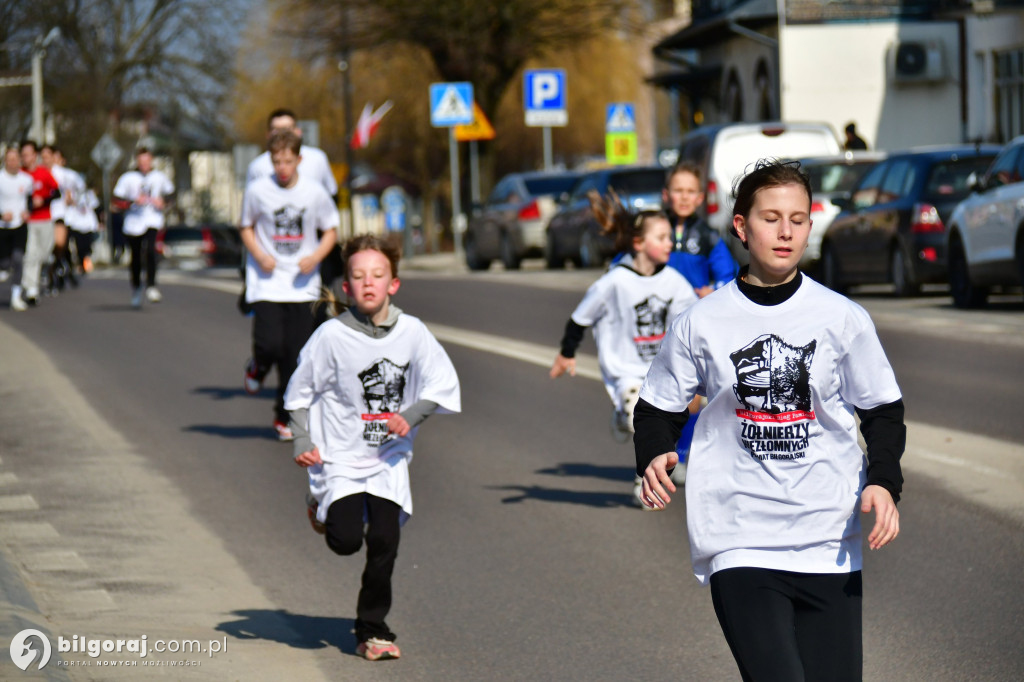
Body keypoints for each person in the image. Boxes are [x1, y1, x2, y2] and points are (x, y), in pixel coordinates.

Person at [634, 159, 904, 681]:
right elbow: (657, 407)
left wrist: (884, 481)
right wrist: (652, 453)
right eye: (771, 218)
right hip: (739, 535)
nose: (785, 232)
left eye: (797, 220)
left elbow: (882, 410)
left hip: (828, 539)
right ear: (741, 226)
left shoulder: (841, 317)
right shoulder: (701, 322)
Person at [284, 233, 460, 661]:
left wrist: (411, 415)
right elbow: (299, 392)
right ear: (346, 287)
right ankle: (320, 504)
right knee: (345, 541)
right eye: (359, 276)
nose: (368, 283)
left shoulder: (413, 332)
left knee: (385, 539)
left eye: (377, 275)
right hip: (340, 457)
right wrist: (302, 438)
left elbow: (442, 384)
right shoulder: (330, 337)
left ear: (393, 283)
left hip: (387, 456)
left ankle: (372, 629)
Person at [550, 190, 697, 509]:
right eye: (662, 238)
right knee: (637, 418)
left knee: (663, 427)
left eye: (670, 237)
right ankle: (639, 473)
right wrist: (566, 353)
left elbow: (695, 323)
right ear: (639, 243)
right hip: (626, 370)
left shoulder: (675, 282)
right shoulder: (614, 282)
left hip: (661, 372)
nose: (670, 244)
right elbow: (580, 318)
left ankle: (638, 462)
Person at [239, 128, 339, 441]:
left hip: (302, 284)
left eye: (287, 161)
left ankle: (283, 417)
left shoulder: (314, 192)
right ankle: (258, 365)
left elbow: (331, 230)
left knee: (295, 355)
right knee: (269, 344)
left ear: (299, 159)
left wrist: (316, 256)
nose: (282, 168)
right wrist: (259, 254)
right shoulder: (258, 190)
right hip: (267, 282)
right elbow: (245, 226)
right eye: (276, 161)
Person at [661, 161, 740, 481]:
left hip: (691, 328)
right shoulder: (653, 230)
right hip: (654, 327)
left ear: (699, 197)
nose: (684, 197)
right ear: (666, 195)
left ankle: (680, 457)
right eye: (677, 190)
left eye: (690, 191)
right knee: (654, 396)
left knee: (692, 399)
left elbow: (729, 276)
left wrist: (713, 290)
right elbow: (625, 265)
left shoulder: (707, 237)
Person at [112, 146, 175, 308]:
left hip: (152, 219)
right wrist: (132, 202)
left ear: (151, 160)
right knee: (136, 257)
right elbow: (116, 201)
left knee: (150, 250)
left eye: (147, 161)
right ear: (137, 161)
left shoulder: (159, 177)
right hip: (133, 223)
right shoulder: (128, 178)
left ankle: (151, 285)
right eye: (141, 161)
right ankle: (136, 287)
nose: (144, 164)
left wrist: (163, 202)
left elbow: (171, 195)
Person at [20, 140, 60, 306]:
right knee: (31, 254)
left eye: (28, 154)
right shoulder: (20, 175)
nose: (25, 158)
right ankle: (31, 288)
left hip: (45, 218)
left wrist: (43, 200)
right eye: (23, 155)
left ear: (34, 156)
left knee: (44, 254)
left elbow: (56, 192)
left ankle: (39, 275)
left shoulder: (43, 173)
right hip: (28, 221)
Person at [41, 146, 85, 291]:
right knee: (46, 249)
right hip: (42, 215)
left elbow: (80, 188)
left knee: (59, 245)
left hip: (59, 214)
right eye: (42, 156)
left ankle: (58, 269)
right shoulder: (39, 173)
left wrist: (73, 198)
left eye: (48, 156)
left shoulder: (64, 174)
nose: (45, 159)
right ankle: (53, 272)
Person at [0, 148, 34, 311]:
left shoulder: (26, 179)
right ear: (5, 161)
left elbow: (30, 200)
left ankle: (16, 296)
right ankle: (4, 269)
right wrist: (1, 215)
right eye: (10, 159)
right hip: (3, 226)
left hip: (20, 225)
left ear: (19, 161)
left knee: (19, 259)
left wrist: (28, 211)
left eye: (15, 159)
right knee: (5, 263)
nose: (13, 162)